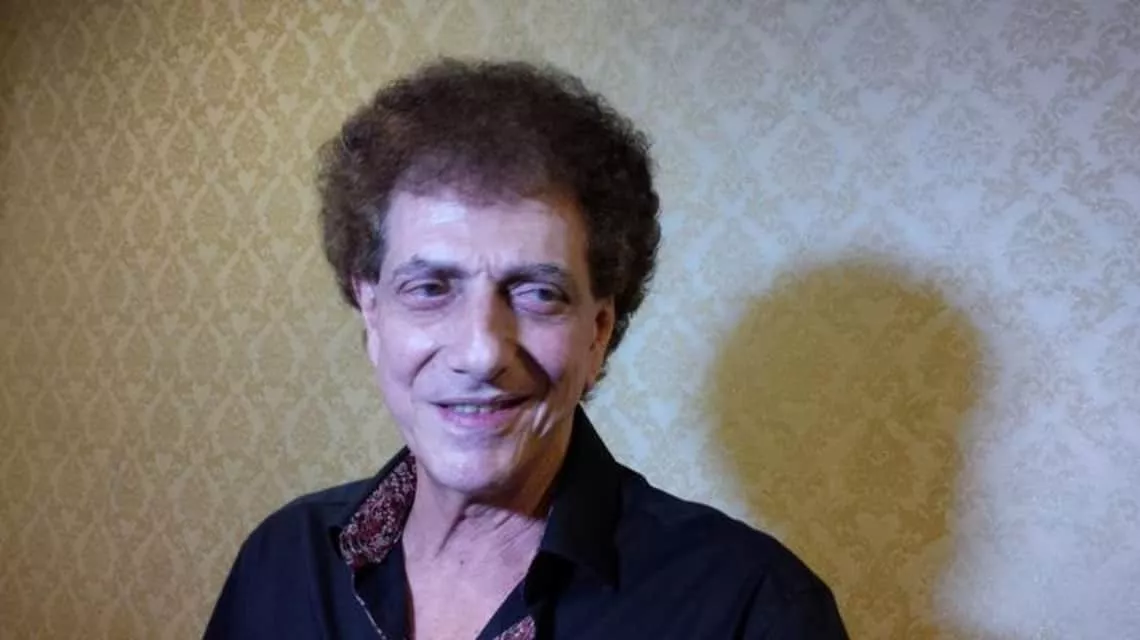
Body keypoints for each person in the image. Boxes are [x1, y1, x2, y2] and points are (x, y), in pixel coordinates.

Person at [204, 58, 848, 639]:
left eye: (538, 293)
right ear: (372, 312)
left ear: (598, 332)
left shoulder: (755, 610)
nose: (482, 352)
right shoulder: (282, 562)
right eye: (430, 288)